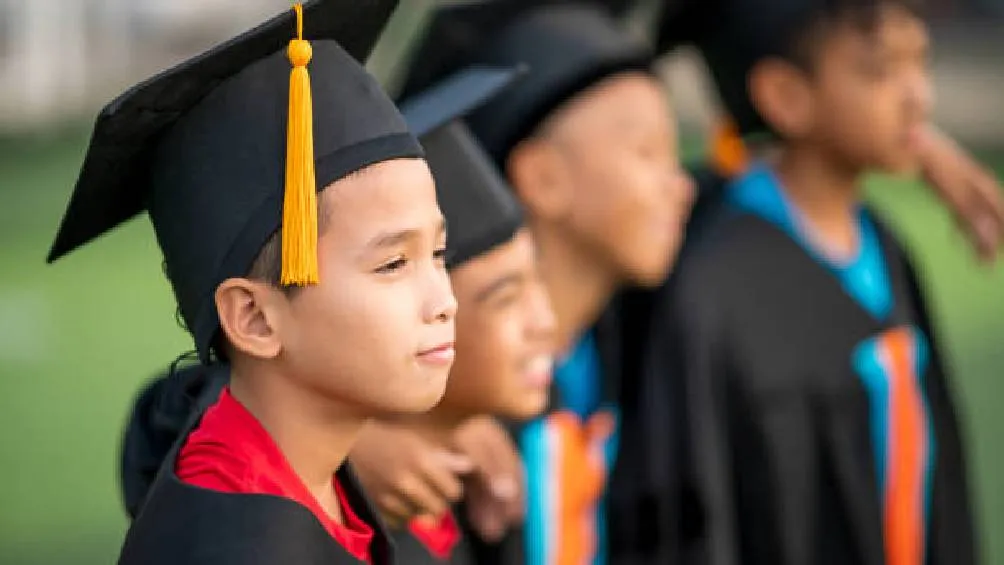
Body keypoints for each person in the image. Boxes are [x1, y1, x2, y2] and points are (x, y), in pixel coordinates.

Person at [49, 1, 457, 563]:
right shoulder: (236, 545)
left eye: (438, 254)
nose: (444, 301)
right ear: (255, 318)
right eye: (392, 265)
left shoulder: (314, 480)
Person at [365, 2, 696, 563]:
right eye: (647, 153)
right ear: (543, 178)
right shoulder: (457, 391)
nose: (681, 185)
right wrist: (354, 447)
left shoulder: (642, 340)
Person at [655, 0, 979, 563]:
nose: (918, 98)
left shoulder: (881, 240)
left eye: (920, 63)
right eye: (879, 72)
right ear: (786, 97)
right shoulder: (716, 286)